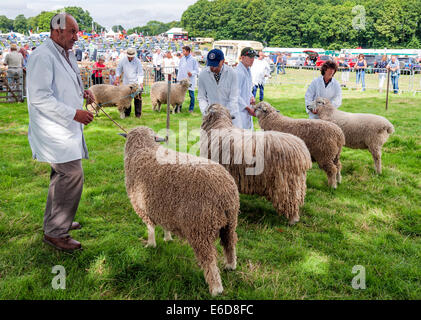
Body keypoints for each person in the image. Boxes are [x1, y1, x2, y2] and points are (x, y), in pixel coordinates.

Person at [26, 13, 95, 252]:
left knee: (60, 177)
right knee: (72, 175)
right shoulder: (42, 56)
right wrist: (73, 113)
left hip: (64, 129)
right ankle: (56, 233)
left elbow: (68, 83)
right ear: (57, 31)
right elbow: (39, 97)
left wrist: (83, 92)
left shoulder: (65, 52)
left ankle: (55, 222)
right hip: (53, 130)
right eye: (73, 32)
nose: (77, 37)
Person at [198, 49, 241, 127]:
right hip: (211, 117)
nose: (213, 68)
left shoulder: (232, 74)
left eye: (216, 65)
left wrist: (224, 114)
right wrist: (206, 112)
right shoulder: (203, 75)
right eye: (211, 65)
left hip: (230, 116)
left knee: (231, 138)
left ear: (223, 61)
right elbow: (201, 97)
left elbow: (233, 98)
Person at [115, 47, 144, 118]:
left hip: (135, 83)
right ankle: (127, 113)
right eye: (129, 57)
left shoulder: (137, 61)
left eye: (132, 57)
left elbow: (140, 73)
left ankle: (138, 114)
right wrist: (117, 78)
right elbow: (118, 69)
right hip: (126, 82)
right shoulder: (122, 60)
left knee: (138, 98)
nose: (130, 58)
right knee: (127, 99)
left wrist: (141, 83)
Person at [235, 47, 257, 129]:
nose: (252, 59)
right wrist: (248, 108)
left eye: (253, 57)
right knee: (241, 136)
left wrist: (251, 96)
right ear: (243, 57)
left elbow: (247, 88)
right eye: (250, 57)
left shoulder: (248, 70)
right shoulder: (238, 72)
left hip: (246, 108)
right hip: (239, 110)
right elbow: (235, 94)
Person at [177, 46, 199, 112]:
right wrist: (178, 78)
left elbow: (196, 70)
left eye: (184, 51)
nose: (183, 52)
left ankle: (191, 108)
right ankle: (179, 108)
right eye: (182, 51)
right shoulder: (182, 59)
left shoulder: (193, 60)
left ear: (188, 51)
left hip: (190, 79)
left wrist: (191, 73)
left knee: (191, 95)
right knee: (179, 94)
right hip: (182, 79)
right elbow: (180, 69)